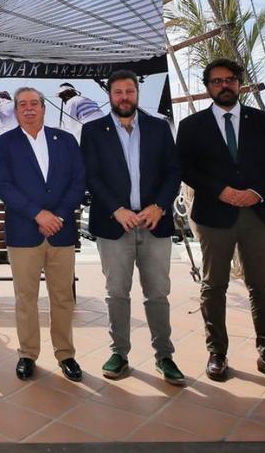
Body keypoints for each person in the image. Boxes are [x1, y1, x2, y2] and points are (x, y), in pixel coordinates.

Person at [176, 59, 265, 389]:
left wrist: (256, 192)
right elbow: (184, 169)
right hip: (215, 216)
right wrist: (221, 191)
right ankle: (217, 353)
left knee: (262, 288)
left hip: (259, 215)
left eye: (230, 80)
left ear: (240, 84)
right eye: (217, 81)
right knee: (214, 286)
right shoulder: (191, 126)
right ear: (207, 87)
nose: (224, 85)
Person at [80, 71, 185, 385]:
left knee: (158, 294)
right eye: (118, 92)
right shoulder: (93, 130)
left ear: (137, 94)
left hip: (155, 222)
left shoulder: (158, 127)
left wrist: (160, 206)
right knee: (116, 293)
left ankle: (164, 356)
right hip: (114, 225)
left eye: (129, 91)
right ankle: (119, 353)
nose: (124, 97)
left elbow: (173, 171)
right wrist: (116, 209)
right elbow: (91, 176)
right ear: (110, 95)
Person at [0, 86, 86, 382]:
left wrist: (56, 215)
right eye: (23, 105)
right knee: (26, 297)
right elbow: (4, 186)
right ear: (16, 110)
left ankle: (66, 354)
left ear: (44, 109)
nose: (29, 109)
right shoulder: (4, 143)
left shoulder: (66, 141)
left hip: (61, 230)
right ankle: (27, 354)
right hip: (24, 231)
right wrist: (37, 214)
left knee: (62, 297)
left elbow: (78, 181)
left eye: (35, 104)